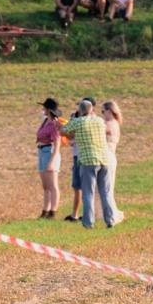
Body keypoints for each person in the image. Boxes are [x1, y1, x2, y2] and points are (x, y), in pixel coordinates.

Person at [61, 100, 118, 229]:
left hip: (88, 161)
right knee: (105, 192)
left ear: (80, 111)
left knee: (88, 193)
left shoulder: (77, 122)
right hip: (104, 159)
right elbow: (106, 130)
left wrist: (60, 124)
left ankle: (88, 222)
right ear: (92, 109)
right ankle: (110, 220)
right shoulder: (99, 121)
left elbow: (63, 131)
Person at [63, 94, 95, 222]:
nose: (79, 109)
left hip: (84, 156)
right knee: (77, 186)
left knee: (84, 187)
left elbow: (68, 133)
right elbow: (70, 136)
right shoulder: (75, 118)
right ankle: (76, 214)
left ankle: (86, 215)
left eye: (82, 107)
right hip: (77, 155)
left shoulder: (93, 120)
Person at [35, 97, 64, 219]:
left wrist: (52, 160)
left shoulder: (53, 124)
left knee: (53, 184)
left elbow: (57, 142)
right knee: (46, 185)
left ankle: (53, 211)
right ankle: (45, 210)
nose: (43, 109)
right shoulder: (45, 121)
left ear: (48, 109)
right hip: (42, 151)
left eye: (44, 108)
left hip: (49, 151)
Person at [97, 98, 124, 224]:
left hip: (107, 156)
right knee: (106, 188)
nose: (102, 114)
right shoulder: (115, 123)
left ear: (109, 111)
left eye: (103, 111)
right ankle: (106, 213)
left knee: (106, 188)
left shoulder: (110, 124)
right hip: (110, 156)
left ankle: (112, 215)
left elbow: (100, 131)